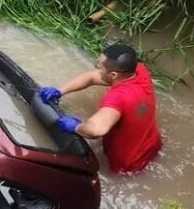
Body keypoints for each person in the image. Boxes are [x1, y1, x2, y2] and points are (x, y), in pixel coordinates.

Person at [39, 43, 161, 174]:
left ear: (113, 75)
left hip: (129, 165)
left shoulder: (117, 97)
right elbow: (91, 77)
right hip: (152, 146)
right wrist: (60, 91)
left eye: (99, 66)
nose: (97, 67)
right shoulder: (139, 71)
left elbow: (96, 130)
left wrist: (75, 126)